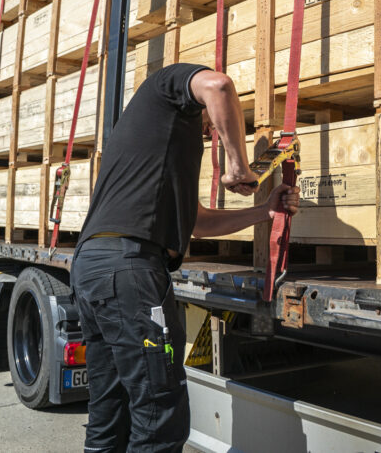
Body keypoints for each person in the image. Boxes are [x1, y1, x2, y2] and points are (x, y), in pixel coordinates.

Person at [70, 63, 299, 452]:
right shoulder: (163, 87)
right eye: (216, 125)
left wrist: (265, 212)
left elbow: (197, 222)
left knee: (111, 406)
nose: (214, 131)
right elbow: (220, 86)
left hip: (94, 267)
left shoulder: (157, 146)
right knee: (160, 411)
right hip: (129, 269)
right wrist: (237, 165)